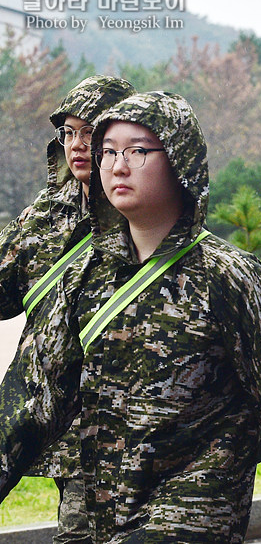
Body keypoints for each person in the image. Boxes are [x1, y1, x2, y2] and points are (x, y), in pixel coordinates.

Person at [0, 91, 261, 543]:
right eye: (108, 152)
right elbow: (26, 406)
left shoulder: (230, 278)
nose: (118, 165)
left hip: (191, 519)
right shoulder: (84, 279)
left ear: (180, 159)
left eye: (137, 151)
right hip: (102, 520)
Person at [0, 74, 135, 543]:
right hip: (49, 413)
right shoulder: (48, 210)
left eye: (90, 133)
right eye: (68, 133)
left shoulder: (140, 213)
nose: (77, 145)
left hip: (120, 419)